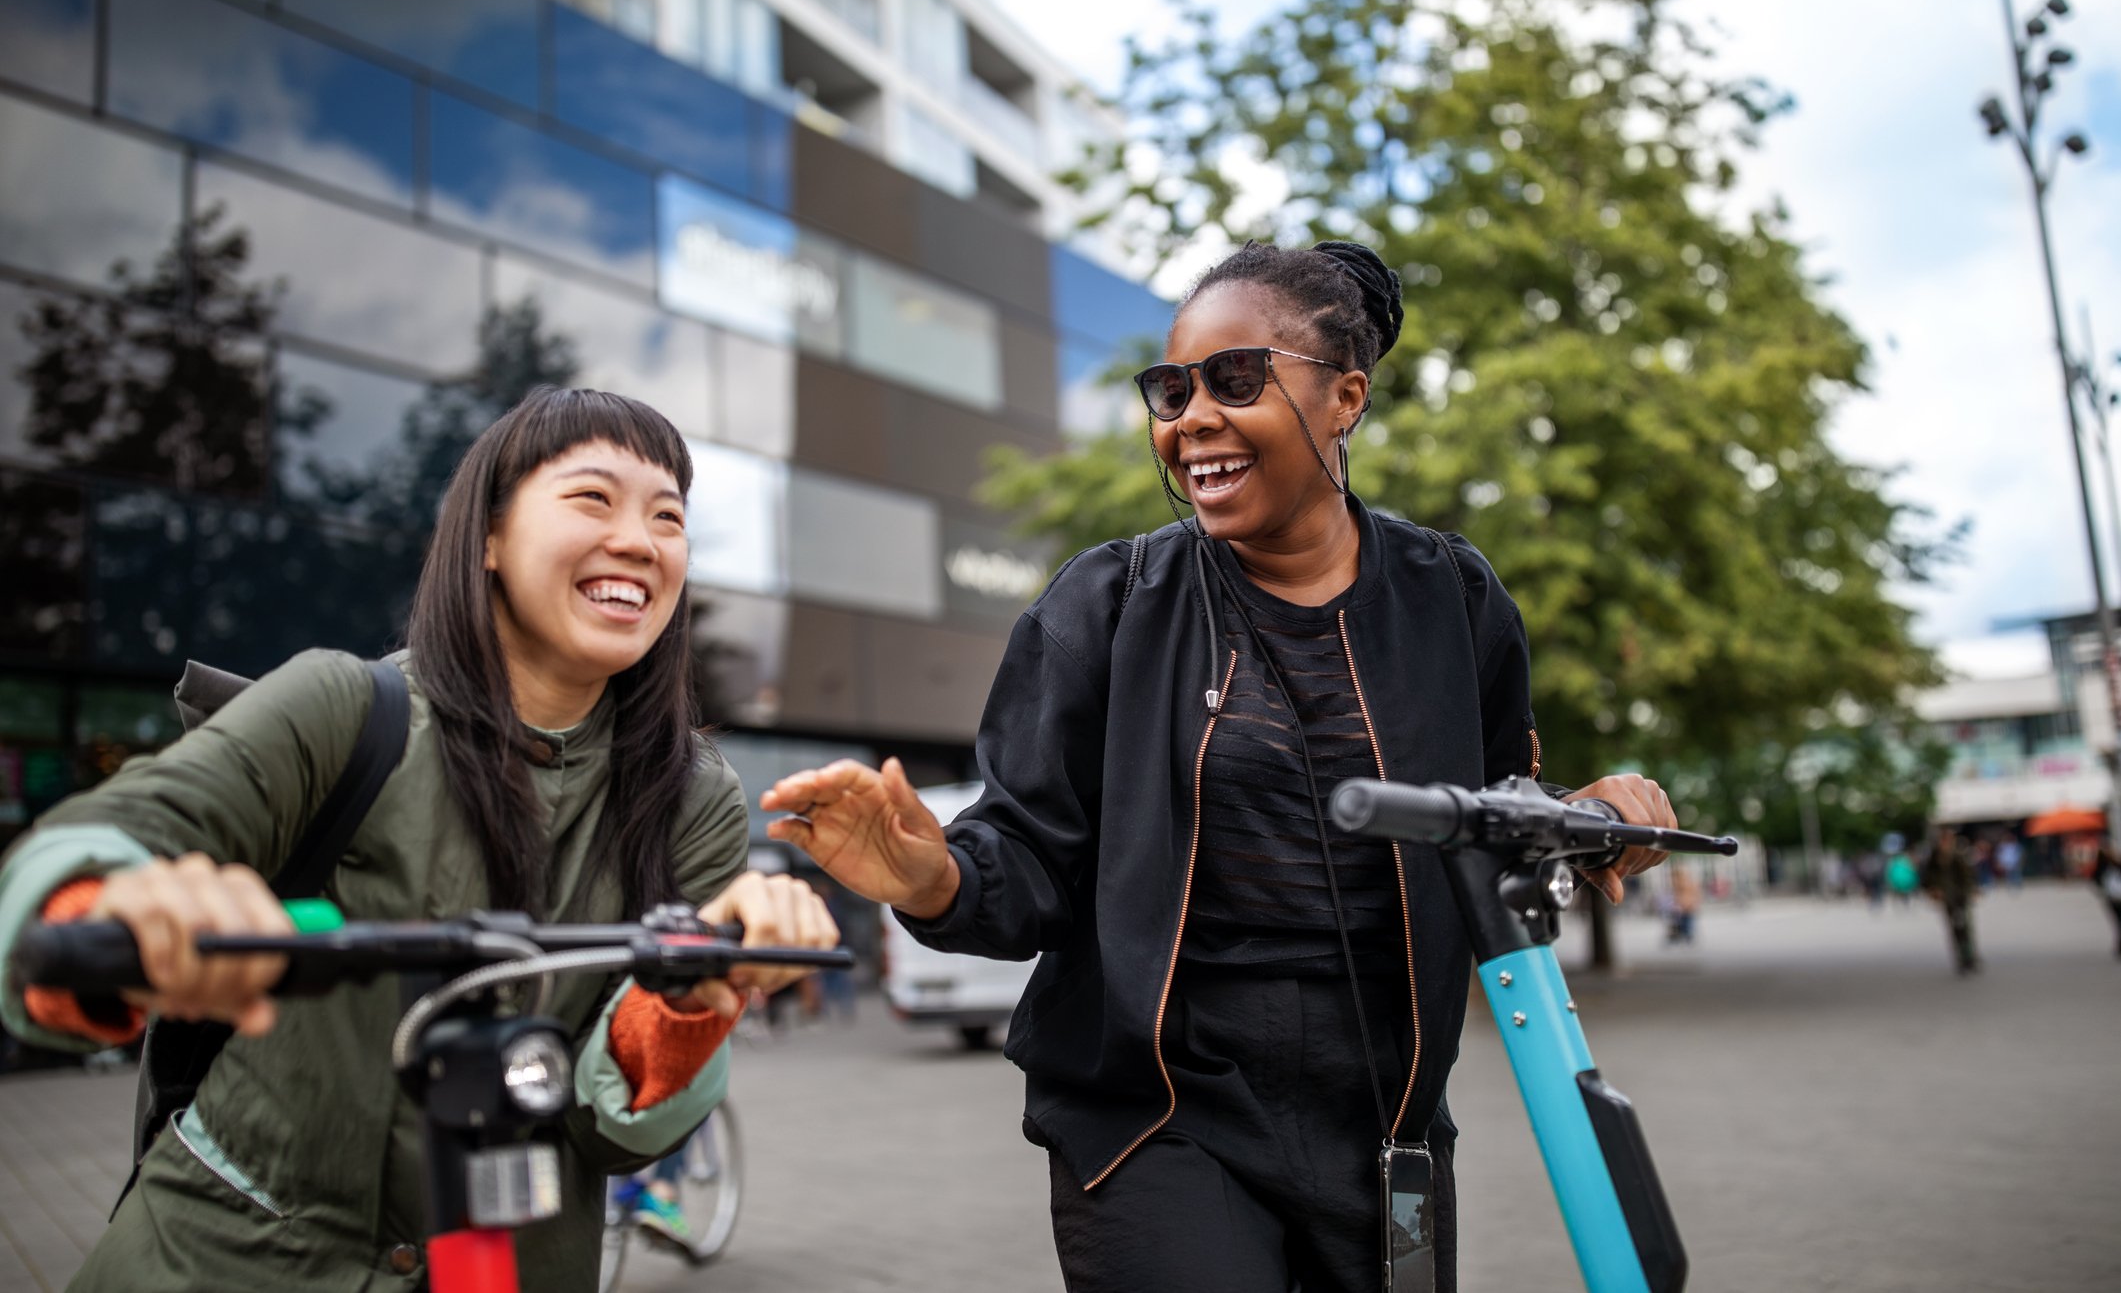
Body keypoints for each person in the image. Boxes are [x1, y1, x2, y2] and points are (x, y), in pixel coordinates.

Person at [760, 241, 1675, 1293]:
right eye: (1170, 388)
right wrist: (928, 874)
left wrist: (1591, 823)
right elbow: (1023, 858)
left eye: (1236, 378)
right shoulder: (1106, 606)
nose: (1190, 415)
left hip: (1389, 1118)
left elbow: (1496, 819)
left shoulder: (1453, 601)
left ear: (1345, 397)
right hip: (1159, 1115)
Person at [0, 387, 838, 1292]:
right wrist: (115, 907)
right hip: (219, 1262)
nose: (639, 539)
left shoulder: (695, 798)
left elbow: (612, 1126)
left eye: (668, 516)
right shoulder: (345, 706)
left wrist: (696, 989)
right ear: (487, 537)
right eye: (593, 499)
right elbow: (110, 834)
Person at [1920, 827, 1979, 975]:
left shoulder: (1959, 854)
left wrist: (1971, 890)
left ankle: (1969, 956)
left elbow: (1967, 875)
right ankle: (1960, 958)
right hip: (1947, 898)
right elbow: (1927, 876)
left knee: (1965, 927)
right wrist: (1932, 889)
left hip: (1960, 896)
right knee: (1954, 928)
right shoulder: (1935, 856)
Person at [2092, 839, 2121, 958]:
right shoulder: (2105, 864)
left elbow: (2095, 880)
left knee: (2118, 923)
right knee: (2118, 922)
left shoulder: (2106, 865)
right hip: (2113, 898)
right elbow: (2096, 879)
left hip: (2112, 898)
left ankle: (2119, 946)